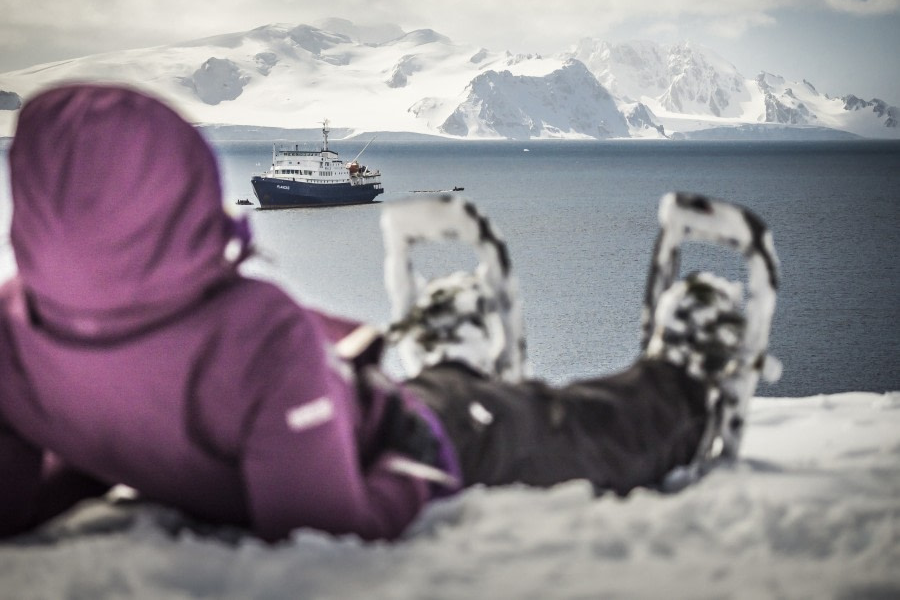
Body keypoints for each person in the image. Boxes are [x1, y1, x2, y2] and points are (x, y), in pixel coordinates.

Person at [0, 84, 779, 543]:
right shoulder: (254, 334)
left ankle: (448, 360)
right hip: (412, 436)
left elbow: (23, 492)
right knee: (551, 420)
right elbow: (324, 530)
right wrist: (416, 472)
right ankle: (685, 389)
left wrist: (129, 457)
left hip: (303, 408)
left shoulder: (15, 331)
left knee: (387, 363)